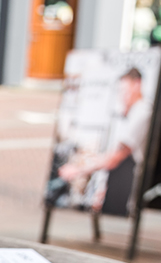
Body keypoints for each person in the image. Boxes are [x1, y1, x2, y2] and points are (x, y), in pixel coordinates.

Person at [57, 67, 152, 214]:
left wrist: (78, 170)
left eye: (124, 92)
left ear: (137, 84)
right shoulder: (132, 113)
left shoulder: (142, 113)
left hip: (128, 186)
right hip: (120, 182)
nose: (122, 97)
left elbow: (115, 157)